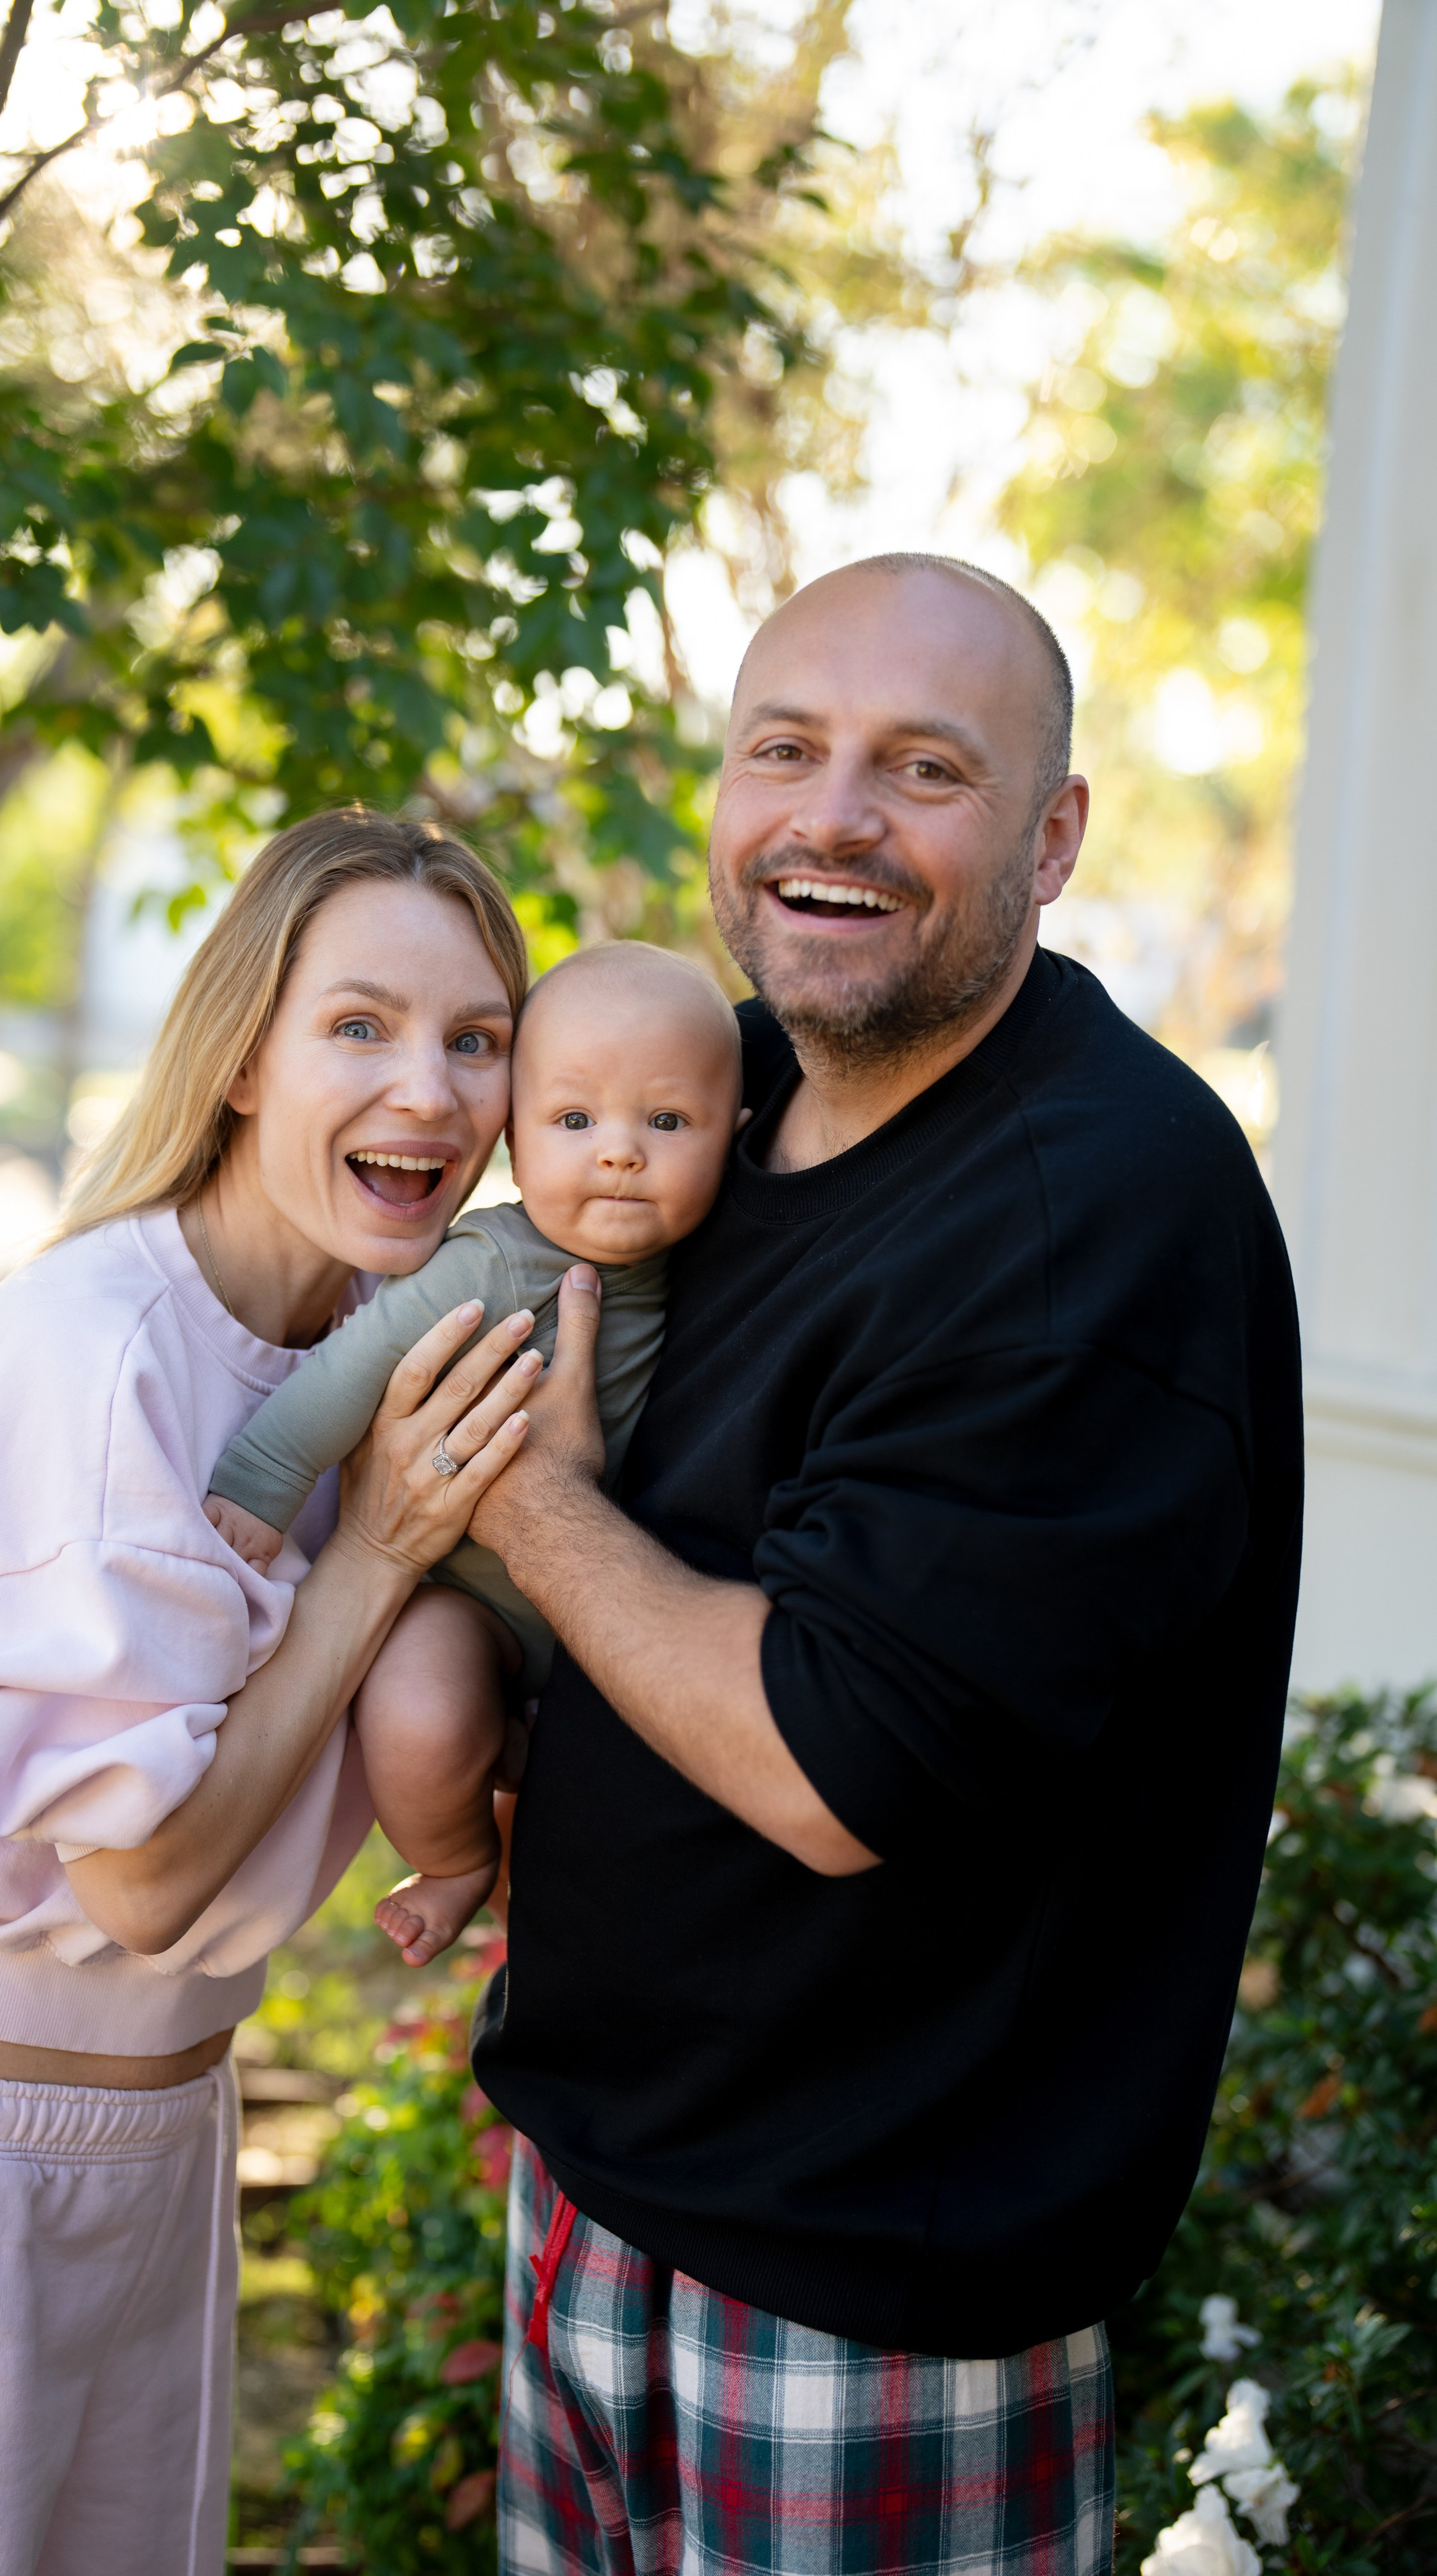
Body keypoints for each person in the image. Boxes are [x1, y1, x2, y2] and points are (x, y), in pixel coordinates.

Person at [466, 555, 1305, 2575]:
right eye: (788, 751)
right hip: (596, 2191)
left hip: (864, 2288)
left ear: (1053, 833)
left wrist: (507, 1491)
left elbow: (842, 1766)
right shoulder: (715, 1106)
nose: (833, 815)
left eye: (923, 768)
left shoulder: (1090, 1210)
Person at [0, 810, 548, 2576]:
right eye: (359, 1025)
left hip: (161, 2151)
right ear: (244, 1052)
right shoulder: (103, 1355)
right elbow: (151, 1881)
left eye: (475, 1037)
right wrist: (378, 1551)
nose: (427, 1088)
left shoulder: (356, 1354)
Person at [203, 942, 745, 1968]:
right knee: (414, 1703)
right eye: (575, 1122)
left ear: (738, 1138)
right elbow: (361, 1362)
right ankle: (454, 1861)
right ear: (515, 1140)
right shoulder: (497, 1260)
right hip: (478, 1601)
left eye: (667, 1122)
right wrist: (264, 1480)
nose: (620, 1153)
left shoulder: (723, 1263)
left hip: (633, 1608)